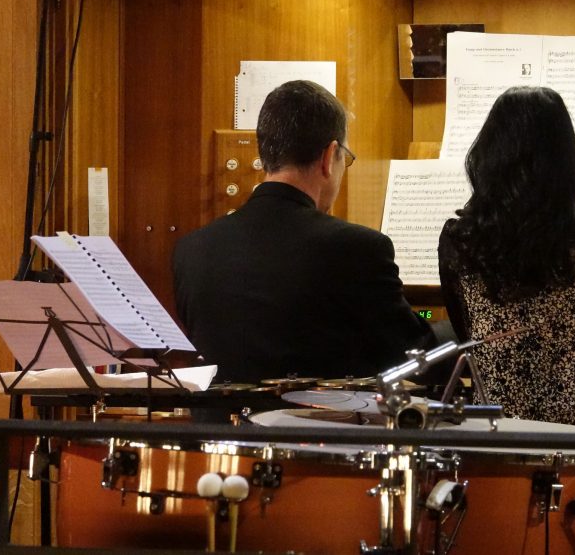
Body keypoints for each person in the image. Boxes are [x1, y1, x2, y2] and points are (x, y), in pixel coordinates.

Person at [173, 80, 435, 388]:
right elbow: (413, 358)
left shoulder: (191, 250)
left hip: (222, 434)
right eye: (344, 160)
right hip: (324, 431)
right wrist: (455, 328)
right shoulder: (357, 249)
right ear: (330, 156)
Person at [438, 86, 575, 430]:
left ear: (488, 158)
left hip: (495, 434)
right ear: (565, 161)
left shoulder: (459, 239)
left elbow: (468, 333)